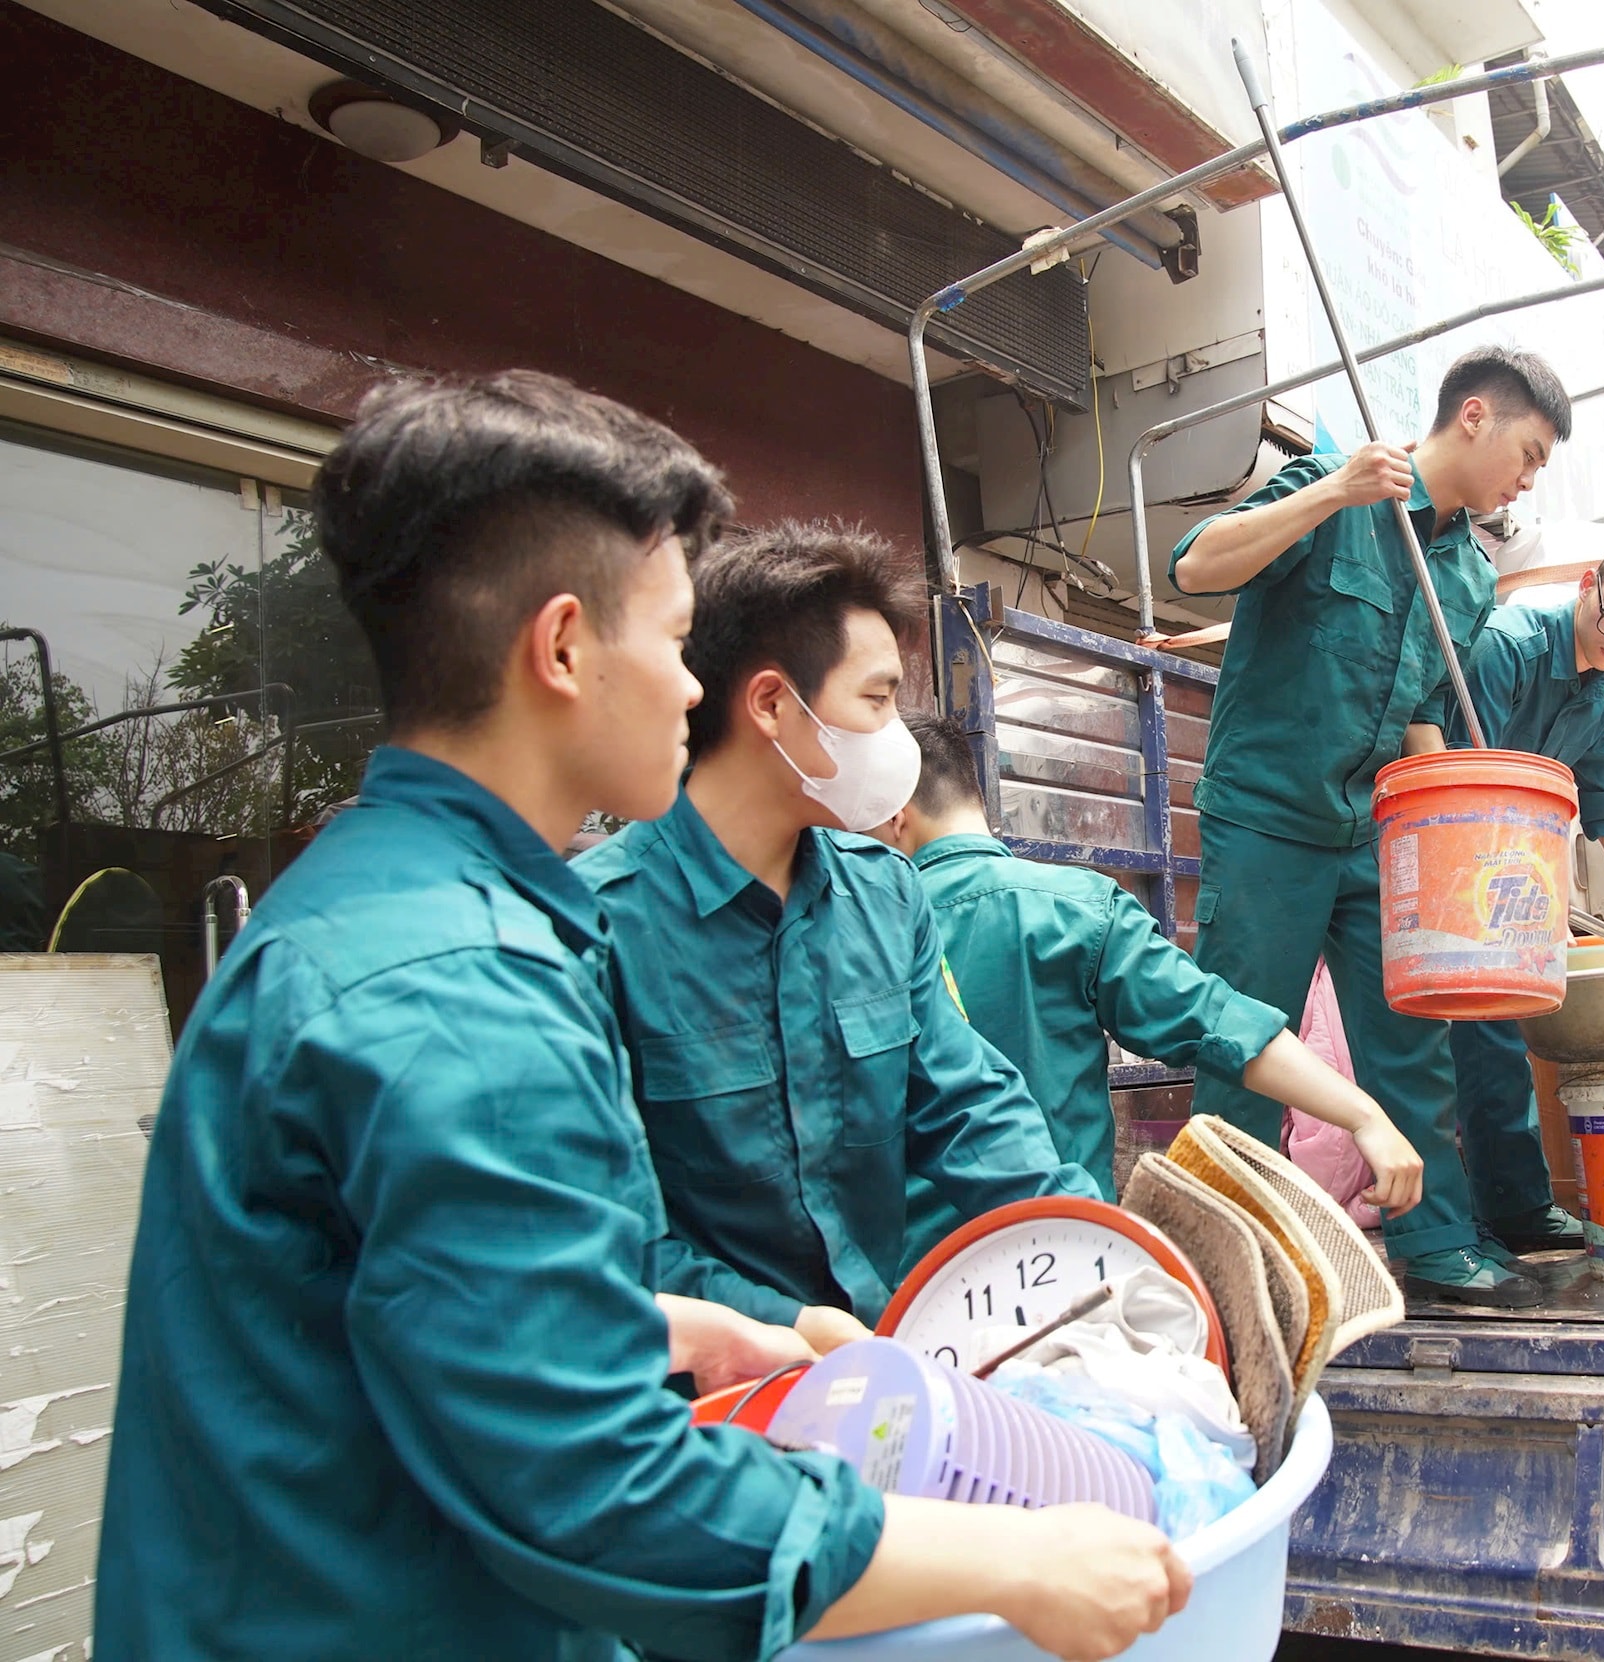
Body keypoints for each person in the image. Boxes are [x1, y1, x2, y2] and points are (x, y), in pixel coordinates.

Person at [96, 372, 1188, 1661]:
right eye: (672, 642)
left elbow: (404, 1303)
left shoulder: (382, 907)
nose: (689, 688)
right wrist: (1016, 1560)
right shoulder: (462, 984)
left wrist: (661, 1325)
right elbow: (595, 1486)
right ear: (562, 648)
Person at [577, 521, 1095, 1334]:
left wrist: (1089, 1243)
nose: (896, 736)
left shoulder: (885, 895)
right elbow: (601, 1235)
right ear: (772, 705)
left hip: (878, 1357)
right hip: (704, 1388)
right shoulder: (594, 927)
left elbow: (967, 1107)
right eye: (878, 700)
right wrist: (780, 1327)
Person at [1168, 345, 1572, 1307]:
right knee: (1245, 1041)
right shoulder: (1338, 485)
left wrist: (1460, 817)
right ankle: (1232, 1256)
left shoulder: (1468, 574)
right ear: (1473, 416)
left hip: (1374, 833)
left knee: (1409, 1040)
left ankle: (1437, 1244)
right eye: (1529, 452)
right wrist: (1331, 493)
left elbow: (1423, 711)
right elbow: (1195, 565)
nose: (1528, 478)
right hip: (1266, 819)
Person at [875, 712, 1425, 1252]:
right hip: (1073, 1257)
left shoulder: (865, 929)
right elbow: (1218, 1022)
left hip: (908, 1279)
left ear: (896, 816)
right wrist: (1363, 1115)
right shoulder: (1075, 909)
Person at [1442, 526, 1604, 1255]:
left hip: (1502, 873)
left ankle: (1516, 1212)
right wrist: (1533, 897)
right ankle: (1453, 1227)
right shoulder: (1510, 646)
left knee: (1498, 1036)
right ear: (1590, 584)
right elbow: (1462, 778)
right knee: (1452, 1042)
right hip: (1447, 856)